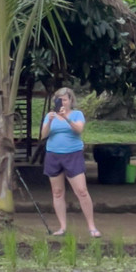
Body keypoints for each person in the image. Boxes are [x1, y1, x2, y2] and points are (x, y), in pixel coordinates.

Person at [40, 87, 101, 238]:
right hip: (53, 154)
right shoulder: (50, 116)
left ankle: (92, 227)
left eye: (65, 100)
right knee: (57, 192)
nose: (62, 103)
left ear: (70, 101)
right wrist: (50, 120)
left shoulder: (76, 114)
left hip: (73, 155)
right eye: (59, 100)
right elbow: (43, 135)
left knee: (81, 191)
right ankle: (62, 227)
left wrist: (66, 118)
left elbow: (79, 129)